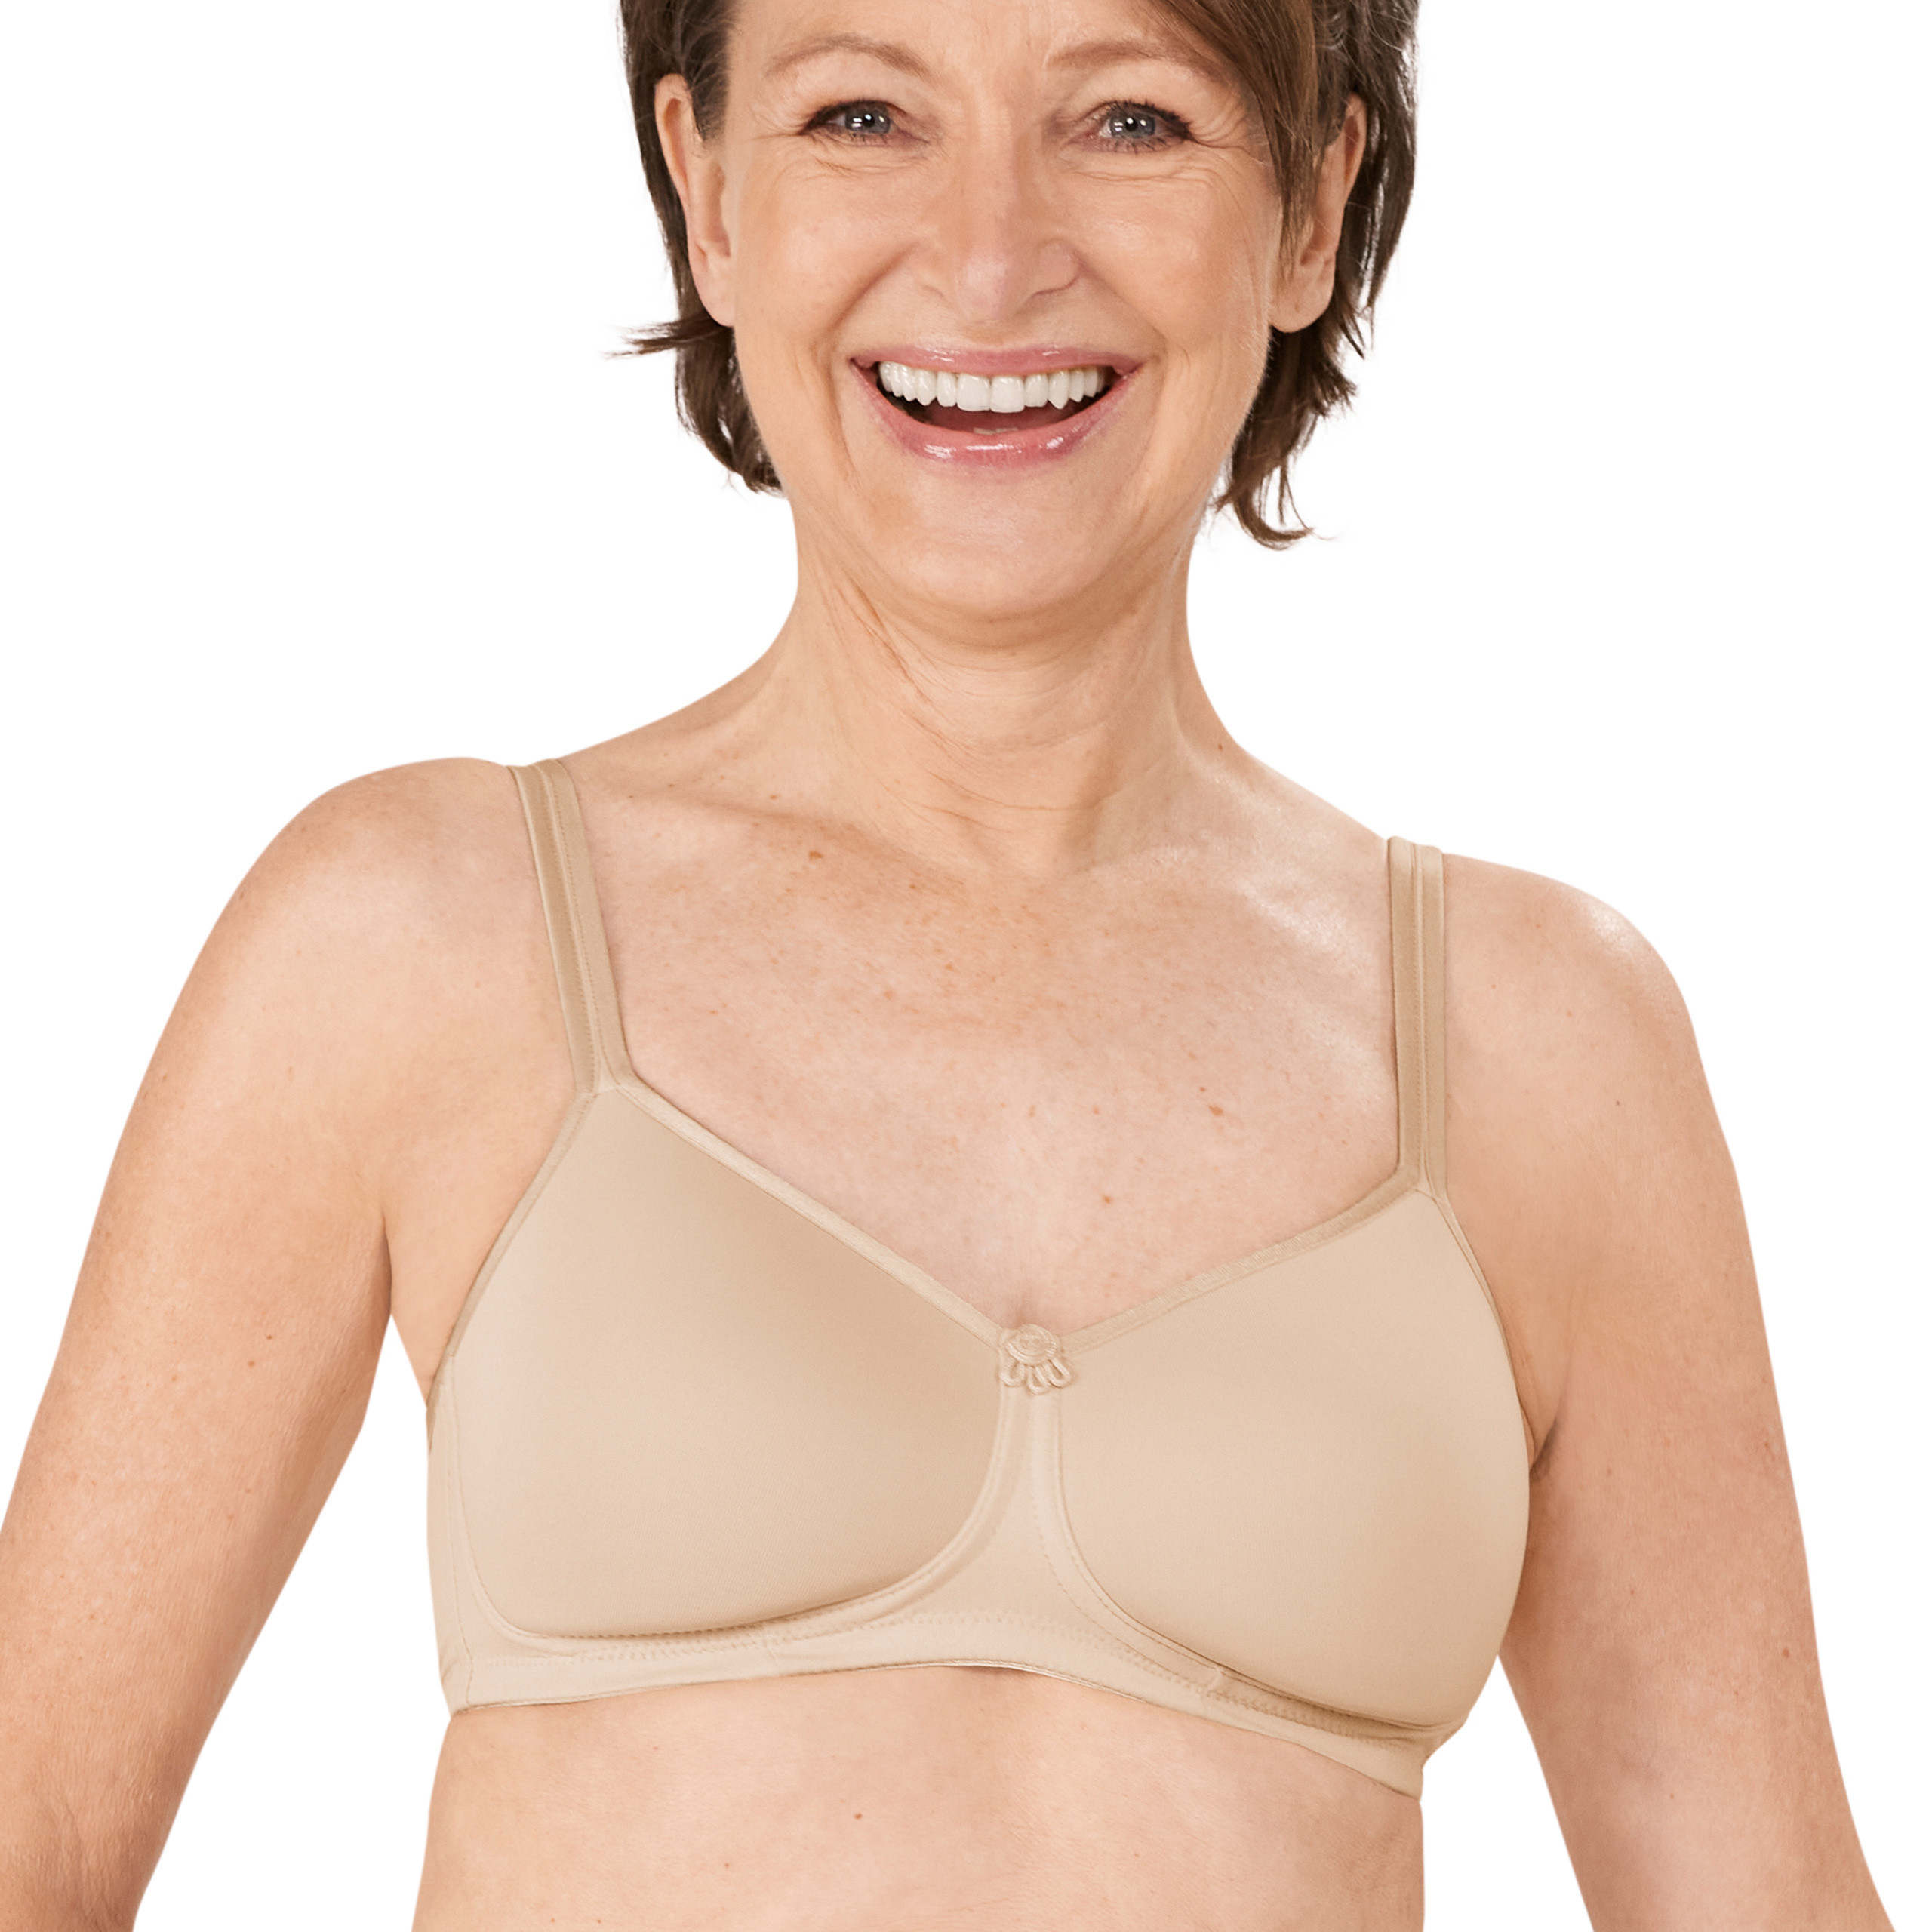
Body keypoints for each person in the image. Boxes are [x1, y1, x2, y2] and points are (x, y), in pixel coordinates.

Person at [0, 0, 1901, 1924]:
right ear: (705, 189)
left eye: (1130, 121)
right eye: (861, 115)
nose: (990, 261)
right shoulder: (411, 937)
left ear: (1313, 206)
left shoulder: (1539, 1041)